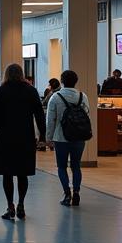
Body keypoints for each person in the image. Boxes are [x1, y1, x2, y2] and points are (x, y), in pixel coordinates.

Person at [0, 63, 45, 221]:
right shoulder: (30, 91)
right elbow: (39, 114)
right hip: (25, 137)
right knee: (22, 173)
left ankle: (10, 205)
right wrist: (43, 136)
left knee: (7, 173)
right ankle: (21, 205)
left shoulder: (1, 90)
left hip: (4, 137)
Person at [46, 69, 90, 207]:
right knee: (76, 166)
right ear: (76, 81)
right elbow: (87, 115)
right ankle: (76, 192)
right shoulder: (83, 97)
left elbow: (50, 120)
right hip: (79, 137)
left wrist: (48, 138)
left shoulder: (55, 97)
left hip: (61, 137)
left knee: (62, 166)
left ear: (62, 81)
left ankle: (67, 194)